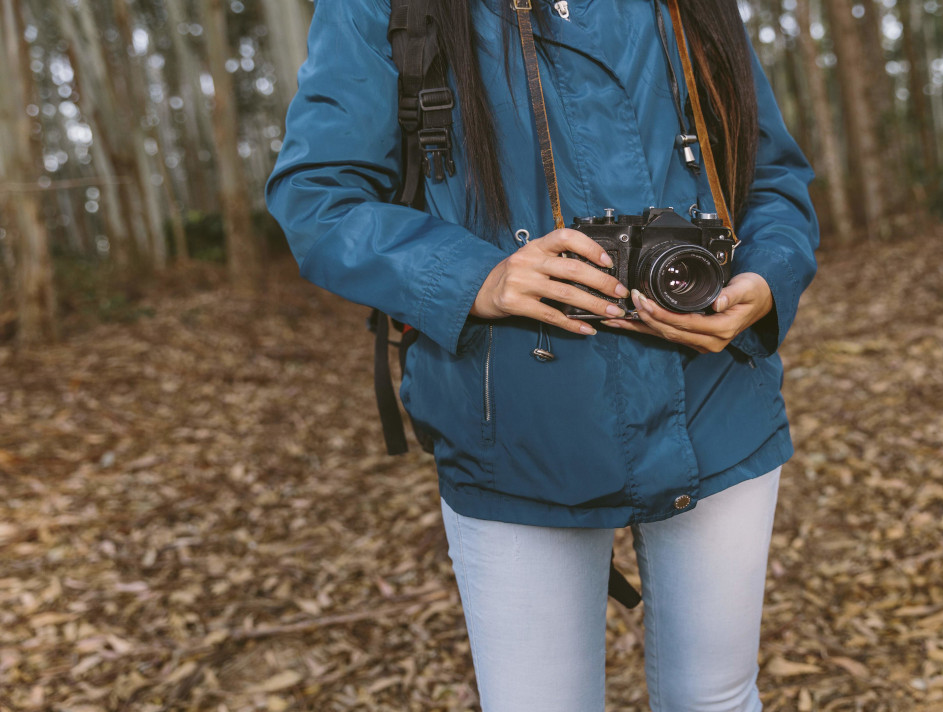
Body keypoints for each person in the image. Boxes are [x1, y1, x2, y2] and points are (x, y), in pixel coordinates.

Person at [266, 0, 819, 709]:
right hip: (517, 427)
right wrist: (477, 277)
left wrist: (766, 278)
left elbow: (770, 174)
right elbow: (318, 196)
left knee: (719, 698)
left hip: (719, 399)